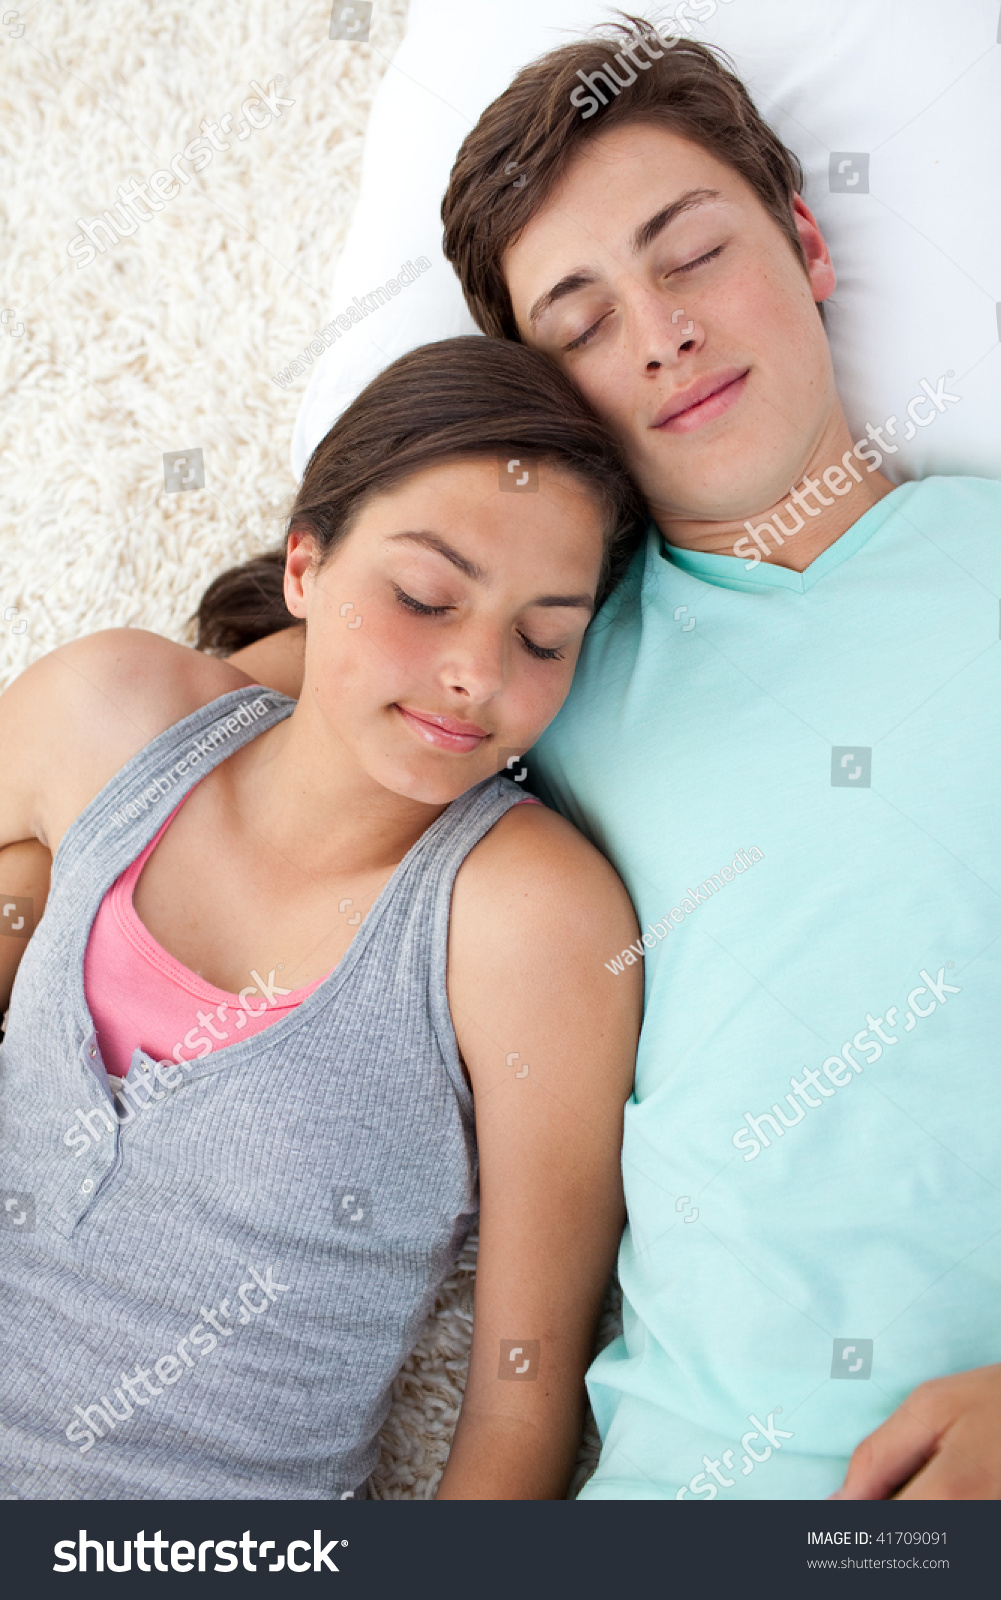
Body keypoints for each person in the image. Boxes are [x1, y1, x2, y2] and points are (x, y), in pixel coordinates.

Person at [221, 20, 1000, 1499]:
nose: (657, 332)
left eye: (691, 252)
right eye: (578, 323)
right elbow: (175, 727)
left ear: (805, 239)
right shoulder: (538, 660)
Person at [0, 337, 644, 1499]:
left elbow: (522, 1395)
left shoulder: (525, 922)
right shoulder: (108, 714)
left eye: (543, 636)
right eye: (423, 596)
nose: (476, 676)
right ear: (307, 567)